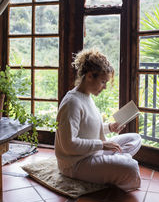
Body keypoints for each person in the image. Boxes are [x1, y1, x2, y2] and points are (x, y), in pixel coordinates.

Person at [55, 48, 141, 192]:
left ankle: (115, 162)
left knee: (135, 138)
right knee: (131, 168)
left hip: (94, 152)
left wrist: (110, 127)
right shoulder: (72, 103)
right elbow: (69, 145)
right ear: (89, 76)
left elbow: (88, 126)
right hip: (76, 163)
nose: (105, 87)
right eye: (103, 82)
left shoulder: (87, 96)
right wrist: (101, 145)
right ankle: (117, 162)